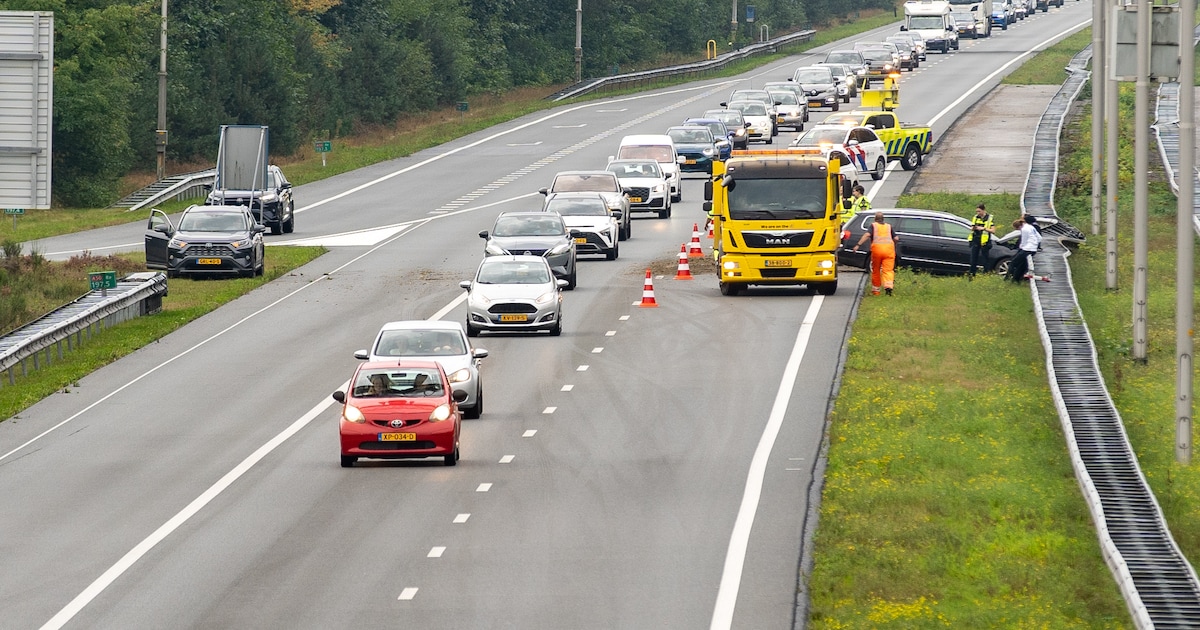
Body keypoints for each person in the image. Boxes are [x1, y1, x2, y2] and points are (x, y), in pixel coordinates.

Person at [852, 211, 899, 296]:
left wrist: (858, 245)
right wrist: (893, 245)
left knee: (876, 270)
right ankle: (888, 287)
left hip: (877, 251)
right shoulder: (889, 227)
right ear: (883, 219)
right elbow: (896, 238)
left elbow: (867, 235)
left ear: (875, 219)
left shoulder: (873, 226)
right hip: (889, 251)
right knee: (888, 270)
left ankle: (876, 291)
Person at [1007, 214, 1042, 282]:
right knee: (1022, 264)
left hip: (1027, 249)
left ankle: (1007, 278)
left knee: (1013, 262)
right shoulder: (1031, 227)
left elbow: (1024, 241)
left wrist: (1021, 248)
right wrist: (1035, 244)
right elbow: (1039, 238)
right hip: (1033, 249)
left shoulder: (1024, 229)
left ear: (1019, 226)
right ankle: (1016, 280)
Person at [967, 202, 995, 277]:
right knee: (973, 259)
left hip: (984, 242)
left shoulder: (989, 218)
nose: (978, 213)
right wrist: (974, 228)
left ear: (983, 210)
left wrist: (983, 228)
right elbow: (972, 228)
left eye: (979, 211)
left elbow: (993, 231)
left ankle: (986, 274)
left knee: (985, 259)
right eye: (977, 211)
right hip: (975, 239)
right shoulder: (976, 217)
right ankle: (972, 275)